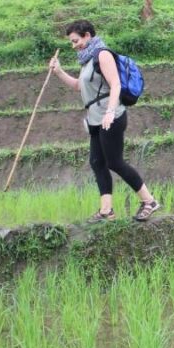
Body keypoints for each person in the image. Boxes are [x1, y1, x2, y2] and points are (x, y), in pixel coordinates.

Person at [50, 20, 161, 222]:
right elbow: (78, 86)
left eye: (76, 41)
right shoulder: (86, 60)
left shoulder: (102, 54)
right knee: (96, 162)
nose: (73, 45)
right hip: (95, 118)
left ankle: (149, 201)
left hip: (111, 117)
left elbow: (116, 84)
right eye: (71, 42)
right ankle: (106, 210)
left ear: (87, 36)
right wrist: (58, 72)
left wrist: (110, 111)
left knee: (115, 162)